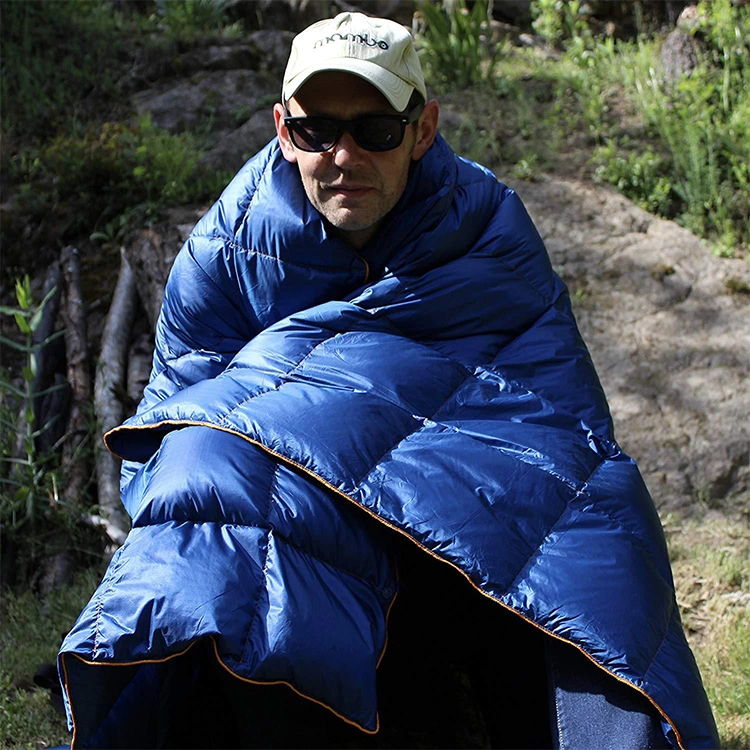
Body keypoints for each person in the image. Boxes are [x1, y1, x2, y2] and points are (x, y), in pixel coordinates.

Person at [58, 12, 718, 750]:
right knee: (212, 483)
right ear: (282, 129)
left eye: (374, 131)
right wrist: (328, 425)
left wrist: (372, 421)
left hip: (456, 502)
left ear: (423, 129)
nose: (343, 156)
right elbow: (176, 425)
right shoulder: (226, 249)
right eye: (315, 132)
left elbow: (557, 412)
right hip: (308, 519)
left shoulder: (484, 223)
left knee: (599, 522)